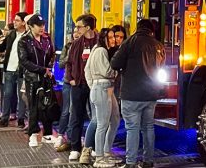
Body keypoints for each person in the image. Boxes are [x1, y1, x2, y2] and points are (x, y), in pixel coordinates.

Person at [111, 19, 165, 168]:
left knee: (132, 128)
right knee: (148, 127)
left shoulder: (130, 42)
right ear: (151, 31)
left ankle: (131, 162)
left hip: (131, 94)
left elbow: (115, 64)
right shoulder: (158, 45)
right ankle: (148, 161)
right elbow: (161, 68)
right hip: (151, 94)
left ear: (137, 28)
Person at [65, 13, 99, 162]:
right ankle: (75, 147)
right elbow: (69, 62)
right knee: (76, 116)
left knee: (97, 118)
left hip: (95, 85)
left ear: (88, 27)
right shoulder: (76, 44)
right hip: (78, 84)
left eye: (79, 27)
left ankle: (93, 147)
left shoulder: (100, 42)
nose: (76, 29)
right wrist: (71, 79)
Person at [19, 13, 56, 147]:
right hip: (32, 79)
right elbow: (24, 61)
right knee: (33, 106)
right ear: (30, 26)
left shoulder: (47, 39)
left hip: (46, 78)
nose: (42, 28)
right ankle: (33, 134)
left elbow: (52, 55)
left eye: (43, 25)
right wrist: (42, 70)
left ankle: (47, 134)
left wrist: (49, 69)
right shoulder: (24, 41)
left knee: (48, 105)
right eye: (38, 25)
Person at [86, 28, 121, 167]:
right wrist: (118, 69)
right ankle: (99, 158)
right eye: (110, 37)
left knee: (115, 119)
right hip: (102, 88)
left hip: (104, 88)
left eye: (114, 37)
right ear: (104, 38)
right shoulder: (101, 51)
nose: (113, 40)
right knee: (102, 124)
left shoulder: (100, 50)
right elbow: (107, 72)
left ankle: (106, 153)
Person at [0, 11, 29, 127]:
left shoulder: (28, 36)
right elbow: (2, 47)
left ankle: (20, 119)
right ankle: (4, 118)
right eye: (14, 20)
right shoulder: (11, 34)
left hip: (21, 71)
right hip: (9, 69)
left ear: (24, 22)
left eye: (17, 20)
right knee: (7, 94)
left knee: (21, 96)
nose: (14, 22)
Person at [55, 29, 80, 152]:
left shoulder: (87, 46)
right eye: (75, 31)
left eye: (78, 30)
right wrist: (70, 55)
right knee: (66, 110)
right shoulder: (68, 46)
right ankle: (61, 135)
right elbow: (60, 64)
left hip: (80, 83)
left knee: (76, 111)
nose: (76, 33)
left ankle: (73, 139)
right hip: (68, 82)